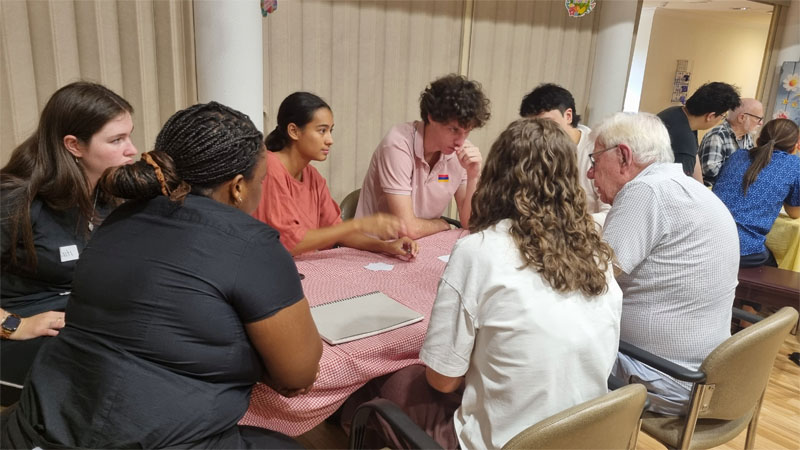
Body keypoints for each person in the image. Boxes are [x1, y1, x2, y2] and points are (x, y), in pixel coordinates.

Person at [2, 102, 322, 449]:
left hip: (38, 424)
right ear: (238, 187)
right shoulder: (251, 243)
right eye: (261, 182)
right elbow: (298, 374)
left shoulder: (117, 220)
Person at [342, 118, 623, 449]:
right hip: (586, 435)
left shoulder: (480, 251)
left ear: (498, 175)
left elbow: (442, 380)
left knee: (391, 386)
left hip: (507, 442)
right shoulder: (597, 252)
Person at [588, 112, 739, 415]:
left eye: (595, 160)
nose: (591, 174)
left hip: (664, 376)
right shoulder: (688, 187)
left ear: (623, 157)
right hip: (709, 375)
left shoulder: (645, 191)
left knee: (541, 348)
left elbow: (590, 281)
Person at [0, 81, 136, 404]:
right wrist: (14, 325)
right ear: (74, 145)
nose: (131, 149)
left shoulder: (107, 194)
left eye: (129, 136)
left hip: (77, 320)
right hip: (21, 332)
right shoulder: (15, 199)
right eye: (117, 140)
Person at [253, 92, 418, 258]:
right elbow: (289, 243)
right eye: (322, 131)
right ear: (294, 131)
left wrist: (386, 246)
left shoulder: (313, 176)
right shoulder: (269, 168)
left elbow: (337, 231)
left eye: (330, 131)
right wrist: (359, 225)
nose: (330, 140)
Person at [355, 74, 491, 239]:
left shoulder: (460, 152)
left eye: (467, 132)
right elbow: (406, 229)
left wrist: (473, 175)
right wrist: (441, 224)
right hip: (374, 245)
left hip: (422, 243)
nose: (460, 141)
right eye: (454, 130)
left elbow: (470, 223)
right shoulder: (398, 144)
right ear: (432, 117)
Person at [713, 118, 800, 268]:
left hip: (704, 235)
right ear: (794, 148)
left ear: (758, 140)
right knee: (777, 266)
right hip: (742, 247)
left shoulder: (737, 156)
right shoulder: (795, 166)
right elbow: (794, 213)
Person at [520, 83, 611, 226]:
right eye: (533, 126)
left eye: (547, 122)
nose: (541, 132)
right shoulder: (533, 150)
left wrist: (567, 226)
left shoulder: (597, 151)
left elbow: (610, 215)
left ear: (568, 116)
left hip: (584, 232)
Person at [656, 82, 741, 182]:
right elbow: (681, 185)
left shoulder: (677, 113)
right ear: (711, 116)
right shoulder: (684, 144)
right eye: (723, 116)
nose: (722, 120)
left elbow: (695, 157)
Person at [699, 98, 764, 185]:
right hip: (713, 190)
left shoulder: (747, 137)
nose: (761, 123)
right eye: (758, 118)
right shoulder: (717, 136)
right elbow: (710, 171)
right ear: (742, 118)